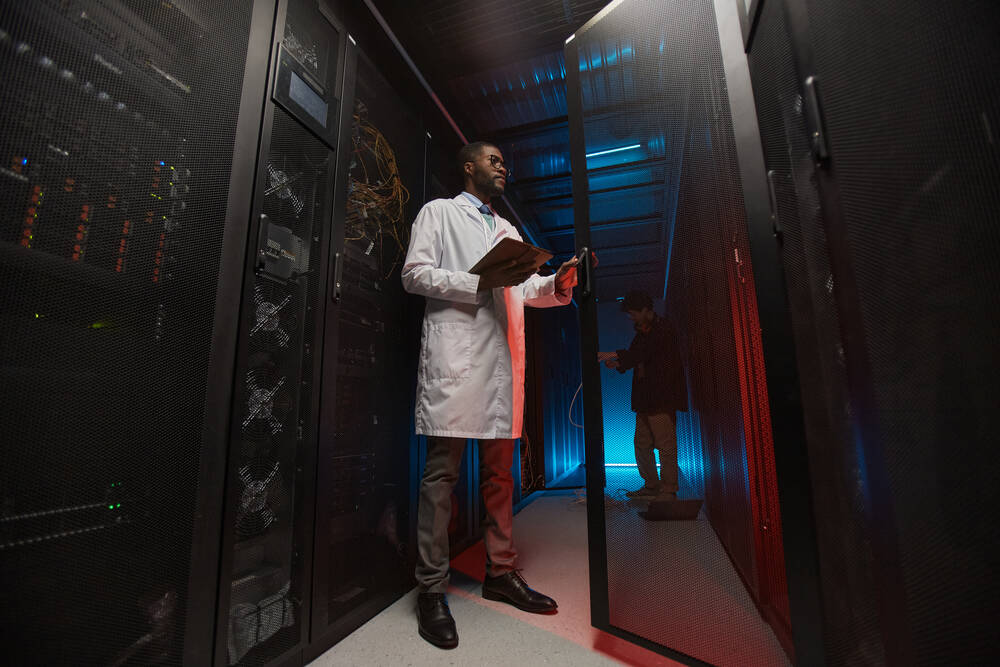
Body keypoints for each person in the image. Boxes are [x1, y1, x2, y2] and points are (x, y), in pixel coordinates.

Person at [401, 141, 579, 649]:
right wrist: (477, 282)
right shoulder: (438, 213)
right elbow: (413, 275)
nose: (503, 167)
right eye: (493, 160)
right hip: (457, 364)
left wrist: (556, 284)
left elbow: (524, 290)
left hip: (501, 367)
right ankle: (431, 589)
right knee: (441, 477)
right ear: (468, 167)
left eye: (505, 162)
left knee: (502, 474)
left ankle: (500, 574)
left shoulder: (507, 230)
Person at [598, 290, 686, 500]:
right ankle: (652, 485)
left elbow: (643, 353)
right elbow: (639, 356)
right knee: (642, 444)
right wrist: (619, 362)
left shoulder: (663, 329)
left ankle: (668, 489)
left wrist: (613, 355)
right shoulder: (644, 332)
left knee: (665, 445)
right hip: (646, 399)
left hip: (661, 397)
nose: (632, 317)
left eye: (634, 313)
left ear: (647, 310)